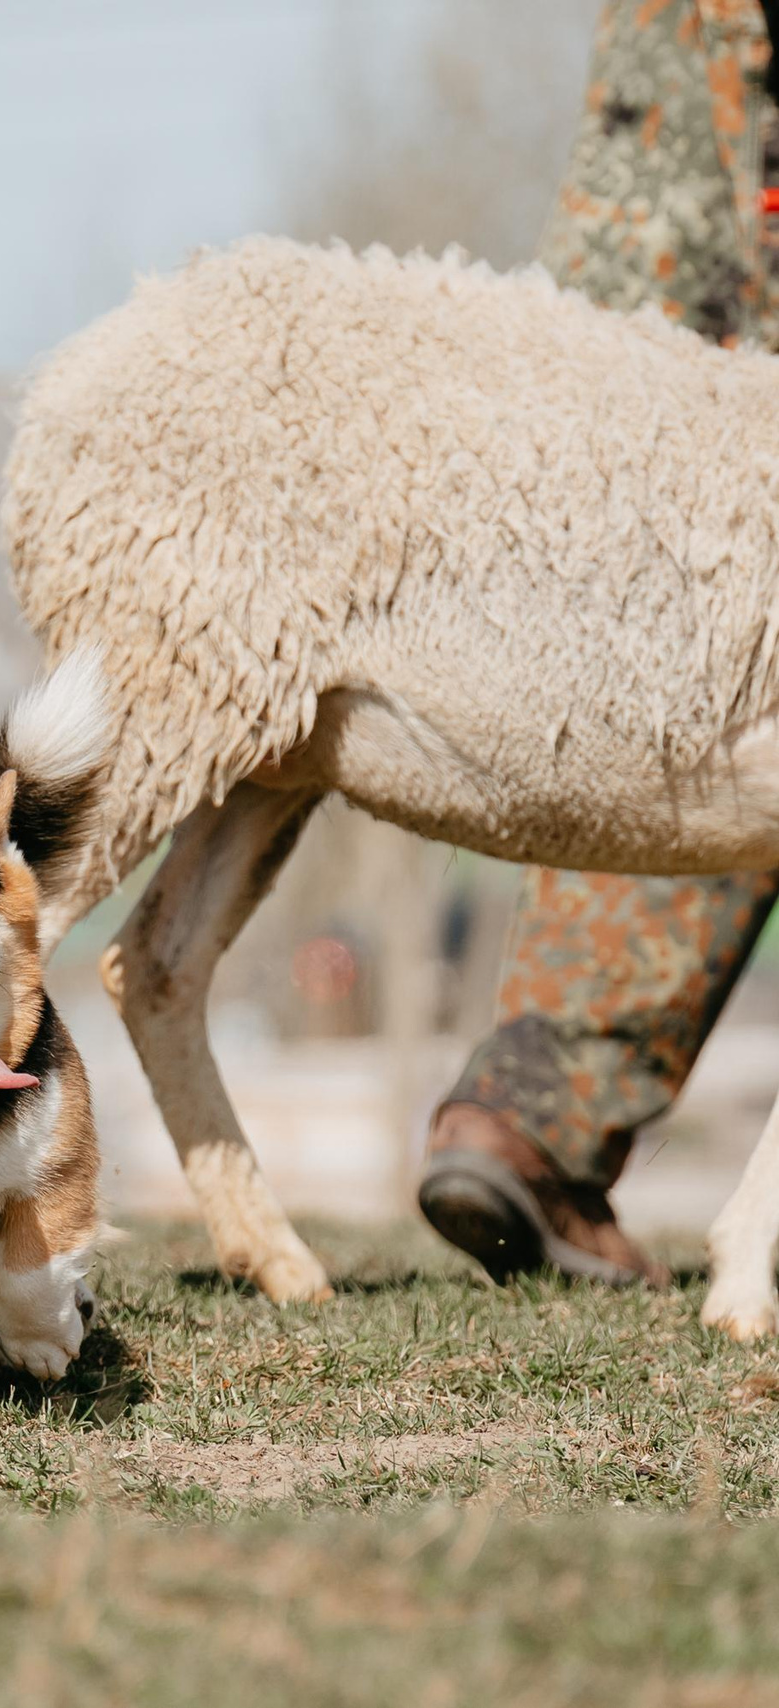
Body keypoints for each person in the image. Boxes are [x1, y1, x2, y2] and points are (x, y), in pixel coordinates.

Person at [420, 0, 779, 1288]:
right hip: (722, 131)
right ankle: (539, 1120)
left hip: (676, 113)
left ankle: (530, 1114)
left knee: (680, 642)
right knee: (732, 670)